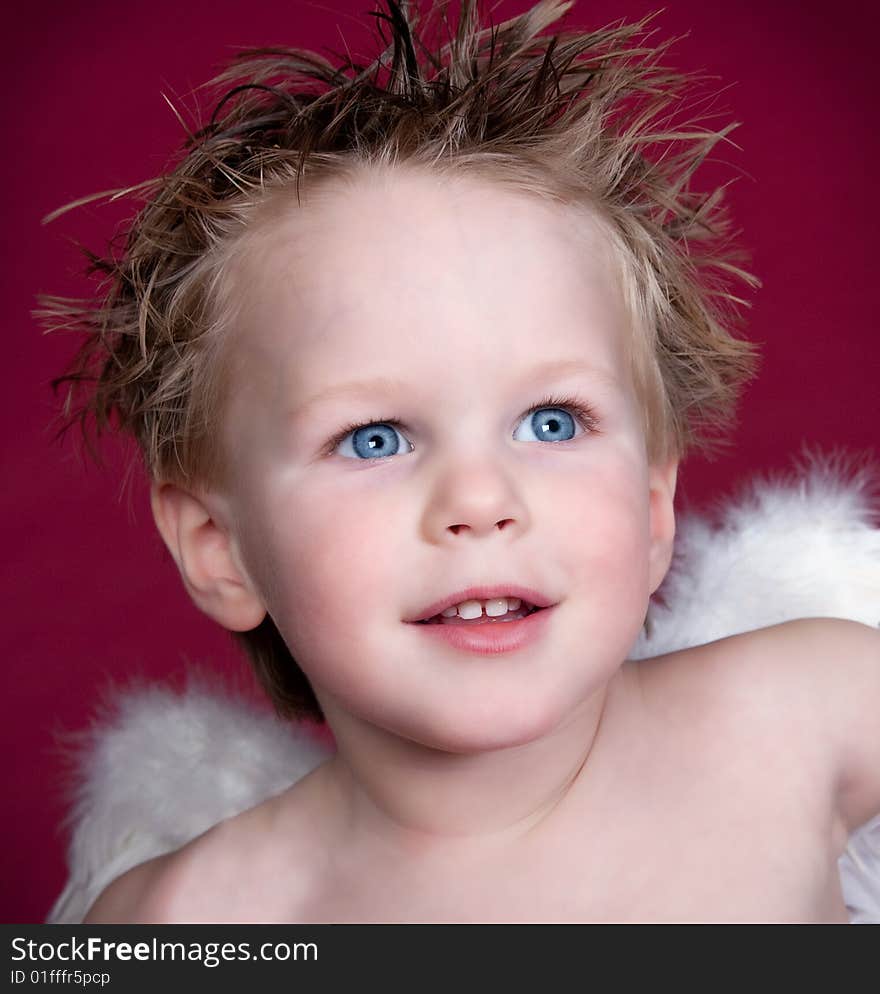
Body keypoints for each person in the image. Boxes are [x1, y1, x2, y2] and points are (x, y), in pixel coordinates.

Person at [38, 0, 879, 923]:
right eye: (375, 438)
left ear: (649, 504)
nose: (480, 501)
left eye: (552, 423)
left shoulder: (808, 712)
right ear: (219, 546)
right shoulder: (191, 920)